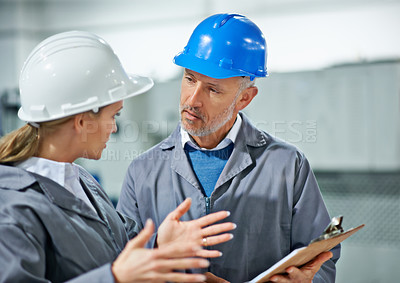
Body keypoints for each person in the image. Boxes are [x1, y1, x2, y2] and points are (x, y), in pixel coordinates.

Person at [117, 13, 340, 283]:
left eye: (213, 89)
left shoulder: (287, 166)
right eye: (189, 79)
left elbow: (321, 261)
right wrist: (159, 248)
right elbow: (121, 259)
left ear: (244, 98)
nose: (193, 99)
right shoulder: (143, 171)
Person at [0, 31, 236, 283]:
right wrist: (114, 278)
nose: (113, 128)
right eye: (114, 115)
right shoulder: (11, 210)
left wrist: (158, 244)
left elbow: (118, 245)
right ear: (81, 121)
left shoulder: (79, 179)